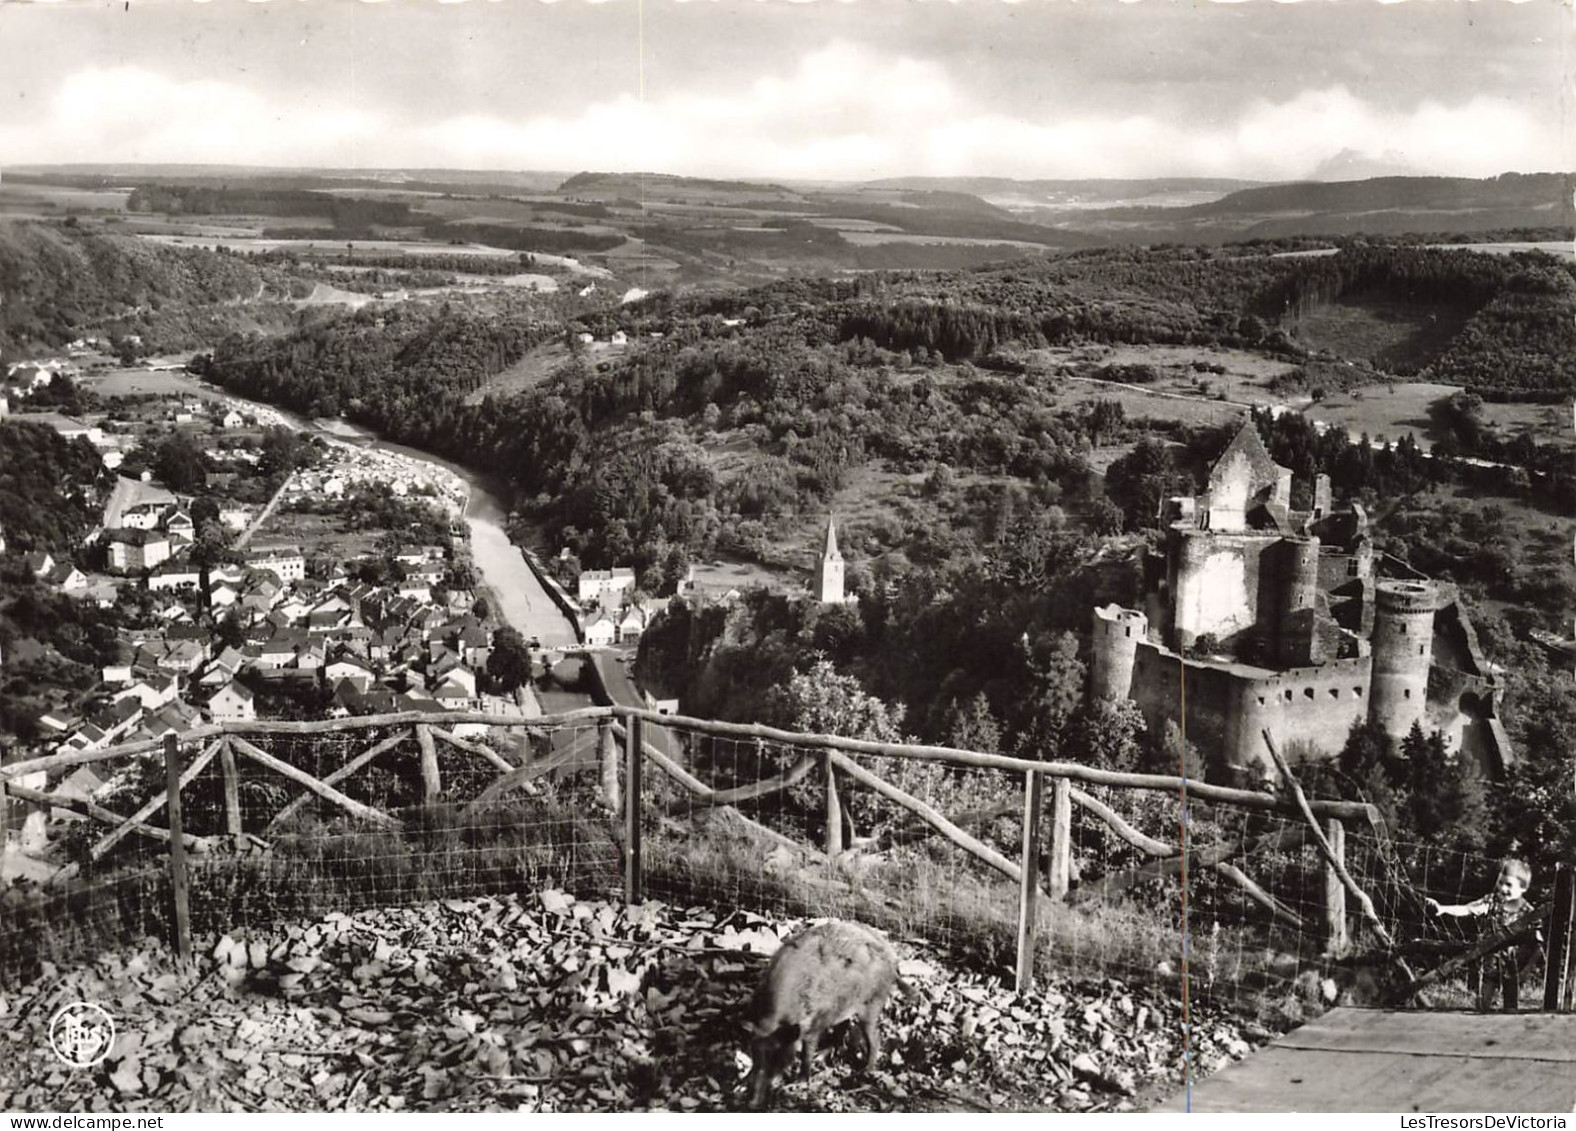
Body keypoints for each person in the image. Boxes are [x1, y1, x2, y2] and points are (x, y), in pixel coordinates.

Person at [1426, 858, 1541, 1012]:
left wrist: (1527, 968)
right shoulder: (1492, 901)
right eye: (1500, 883)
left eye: (1508, 885)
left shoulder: (1529, 913)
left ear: (1523, 888)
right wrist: (1444, 908)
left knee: (1511, 1008)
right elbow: (1468, 909)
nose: (1502, 888)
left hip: (1514, 967)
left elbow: (1538, 943)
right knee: (1482, 1004)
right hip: (1490, 963)